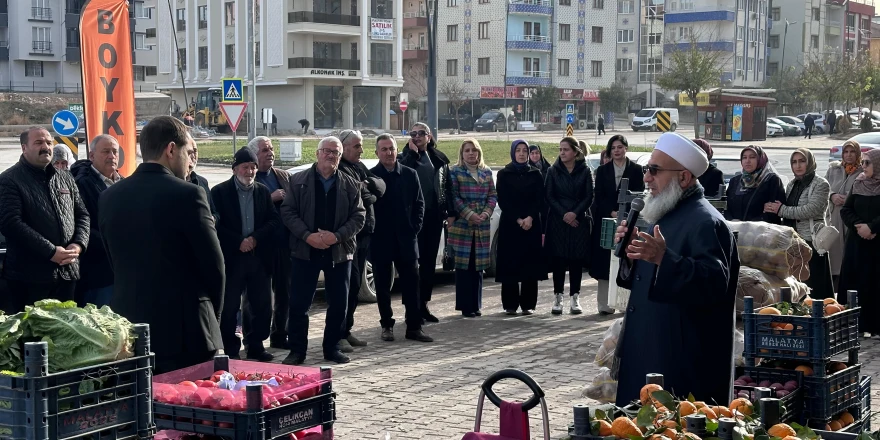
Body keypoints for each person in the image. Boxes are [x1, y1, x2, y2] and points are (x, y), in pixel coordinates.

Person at [613, 132, 738, 406]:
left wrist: (663, 259)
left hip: (680, 361)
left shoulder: (706, 222)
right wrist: (634, 255)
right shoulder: (666, 213)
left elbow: (715, 284)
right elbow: (647, 278)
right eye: (647, 169)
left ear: (683, 177)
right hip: (650, 346)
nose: (647, 178)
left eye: (655, 171)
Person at [99, 116, 225, 374]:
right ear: (170, 149)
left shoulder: (109, 196)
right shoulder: (189, 194)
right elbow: (215, 266)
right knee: (189, 409)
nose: (189, 160)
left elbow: (115, 261)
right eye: (187, 153)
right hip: (186, 332)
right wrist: (214, 318)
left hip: (130, 329)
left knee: (141, 408)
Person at [280, 137, 365, 365]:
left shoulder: (351, 184)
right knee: (299, 304)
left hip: (339, 252)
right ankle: (297, 350)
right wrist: (308, 236)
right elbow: (288, 212)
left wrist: (335, 236)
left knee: (338, 304)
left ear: (340, 156)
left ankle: (332, 348)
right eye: (326, 151)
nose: (330, 155)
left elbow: (359, 217)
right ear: (317, 153)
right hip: (305, 250)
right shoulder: (297, 181)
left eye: (335, 152)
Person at [0, 127, 89, 312]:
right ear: (24, 148)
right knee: (34, 338)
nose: (46, 147)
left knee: (67, 336)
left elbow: (82, 215)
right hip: (29, 278)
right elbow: (11, 223)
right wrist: (50, 252)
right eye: (38, 143)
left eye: (49, 142)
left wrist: (78, 245)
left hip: (67, 273)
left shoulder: (65, 178)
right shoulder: (9, 180)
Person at [211, 148, 279, 361]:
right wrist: (238, 241)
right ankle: (230, 348)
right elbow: (215, 224)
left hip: (258, 257)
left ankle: (256, 344)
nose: (249, 171)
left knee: (260, 304)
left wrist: (255, 238)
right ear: (234, 169)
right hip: (233, 257)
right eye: (245, 167)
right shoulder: (219, 192)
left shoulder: (261, 191)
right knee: (230, 306)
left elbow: (273, 220)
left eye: (252, 167)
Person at [371, 134, 432, 342]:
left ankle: (414, 327)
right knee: (382, 286)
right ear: (377, 152)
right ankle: (386, 325)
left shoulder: (409, 174)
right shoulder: (372, 177)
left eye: (392, 148)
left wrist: (414, 228)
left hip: (407, 239)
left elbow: (419, 204)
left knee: (412, 284)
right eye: (384, 149)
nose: (389, 153)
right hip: (381, 241)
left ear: (398, 150)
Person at [337, 129, 386, 351]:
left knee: (355, 285)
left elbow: (380, 185)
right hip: (349, 237)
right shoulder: (341, 169)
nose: (361, 150)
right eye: (356, 146)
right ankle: (338, 334)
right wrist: (369, 191)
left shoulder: (358, 166)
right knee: (346, 285)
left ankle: (347, 330)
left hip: (366, 235)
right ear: (343, 147)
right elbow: (363, 195)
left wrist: (370, 188)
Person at [399, 122, 450, 323]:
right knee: (411, 266)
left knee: (428, 264)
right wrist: (412, 154)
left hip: (433, 217)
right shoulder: (404, 157)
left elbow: (447, 186)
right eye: (413, 133)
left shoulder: (439, 158)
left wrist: (450, 211)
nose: (417, 136)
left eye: (421, 133)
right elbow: (402, 176)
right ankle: (411, 309)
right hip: (412, 219)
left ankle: (424, 305)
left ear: (429, 137)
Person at [765, 148, 833, 299]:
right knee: (799, 287)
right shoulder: (792, 184)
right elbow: (786, 207)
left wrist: (781, 210)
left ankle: (820, 319)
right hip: (794, 243)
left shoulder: (821, 184)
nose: (798, 166)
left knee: (816, 288)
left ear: (810, 162)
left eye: (802, 161)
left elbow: (810, 210)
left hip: (812, 242)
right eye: (794, 162)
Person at [589, 135, 643, 315]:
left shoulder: (636, 169)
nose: (617, 151)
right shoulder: (603, 170)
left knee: (625, 260)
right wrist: (612, 212)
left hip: (629, 221)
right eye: (613, 148)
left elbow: (639, 196)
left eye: (620, 147)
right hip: (607, 221)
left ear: (626, 148)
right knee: (605, 263)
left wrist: (626, 215)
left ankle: (624, 302)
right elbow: (599, 196)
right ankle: (605, 305)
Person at [249, 136, 293, 349]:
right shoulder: (249, 177)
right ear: (255, 156)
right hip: (259, 246)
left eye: (271, 148)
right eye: (265, 150)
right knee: (258, 296)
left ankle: (280, 334)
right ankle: (253, 340)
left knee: (284, 291)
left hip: (283, 244)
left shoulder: (283, 176)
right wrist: (270, 197)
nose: (270, 153)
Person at [447, 139, 497, 317]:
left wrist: (485, 213)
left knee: (478, 267)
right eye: (467, 150)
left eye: (474, 150)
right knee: (463, 267)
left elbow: (492, 195)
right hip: (463, 225)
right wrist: (469, 214)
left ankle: (476, 305)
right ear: (462, 153)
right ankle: (465, 306)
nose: (471, 153)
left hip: (482, 225)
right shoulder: (454, 172)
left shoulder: (487, 171)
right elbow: (454, 197)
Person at [70, 135, 122, 307]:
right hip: (98, 274)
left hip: (122, 271)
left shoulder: (124, 182)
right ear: (91, 156)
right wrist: (116, 243)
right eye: (106, 151)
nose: (112, 156)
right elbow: (80, 227)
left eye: (115, 151)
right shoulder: (81, 184)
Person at [496, 140, 546, 315]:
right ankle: (510, 304)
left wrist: (530, 218)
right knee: (510, 263)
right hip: (511, 224)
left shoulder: (536, 174)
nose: (522, 153)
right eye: (518, 150)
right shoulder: (504, 174)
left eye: (525, 150)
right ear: (513, 153)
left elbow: (540, 199)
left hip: (531, 224)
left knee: (529, 263)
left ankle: (528, 304)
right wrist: (518, 219)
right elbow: (502, 200)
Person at [545, 137, 593, 315]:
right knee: (559, 260)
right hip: (558, 220)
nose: (562, 153)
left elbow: (589, 196)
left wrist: (575, 213)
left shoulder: (585, 171)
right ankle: (558, 297)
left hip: (578, 220)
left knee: (575, 260)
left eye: (565, 149)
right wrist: (565, 214)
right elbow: (549, 196)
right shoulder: (553, 170)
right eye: (560, 149)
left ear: (575, 152)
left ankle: (575, 297)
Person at [838, 149, 880, 337]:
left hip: (877, 244)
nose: (863, 166)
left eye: (867, 163)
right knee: (857, 283)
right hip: (857, 243)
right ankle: (856, 326)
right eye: (862, 162)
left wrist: (872, 228)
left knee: (875, 284)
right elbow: (846, 210)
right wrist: (859, 227)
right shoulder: (859, 182)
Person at [825, 140, 862, 291]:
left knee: (850, 257)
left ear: (857, 153)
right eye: (846, 152)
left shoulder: (862, 171)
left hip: (851, 219)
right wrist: (832, 195)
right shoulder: (833, 170)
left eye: (852, 152)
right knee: (834, 257)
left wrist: (849, 198)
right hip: (834, 218)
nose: (848, 155)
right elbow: (824, 188)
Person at [724, 146, 786, 223]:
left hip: (762, 231)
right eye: (744, 157)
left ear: (760, 160)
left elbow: (773, 212)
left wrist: (747, 225)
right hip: (736, 230)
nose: (747, 161)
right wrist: (731, 220)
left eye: (752, 157)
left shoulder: (771, 180)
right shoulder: (735, 181)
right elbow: (725, 206)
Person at [186, 142, 218, 220]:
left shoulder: (203, 182)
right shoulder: (173, 182)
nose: (193, 156)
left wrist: (213, 219)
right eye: (189, 152)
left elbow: (215, 213)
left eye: (195, 151)